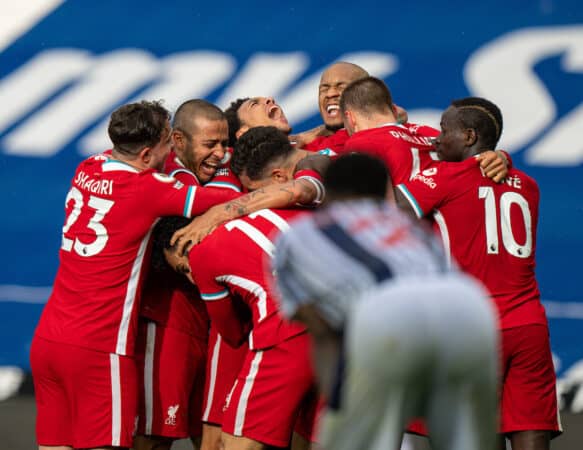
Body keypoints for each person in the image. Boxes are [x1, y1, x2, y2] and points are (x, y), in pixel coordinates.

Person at [29, 100, 238, 450]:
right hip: (99, 348)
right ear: (145, 155)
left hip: (48, 341)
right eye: (166, 147)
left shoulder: (88, 167)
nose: (170, 153)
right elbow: (222, 200)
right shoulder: (147, 190)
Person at [271, 153, 500, 450]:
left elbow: (322, 331)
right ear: (383, 190)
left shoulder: (300, 233)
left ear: (330, 192)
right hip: (470, 305)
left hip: (387, 310)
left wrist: (341, 400)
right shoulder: (410, 226)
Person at [395, 97, 561, 450]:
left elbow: (389, 207)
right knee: (530, 425)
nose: (438, 139)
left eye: (444, 130)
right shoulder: (528, 185)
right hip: (528, 324)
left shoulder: (443, 177)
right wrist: (505, 157)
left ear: (469, 136)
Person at [165, 127, 320, 450]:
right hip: (351, 327)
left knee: (234, 441)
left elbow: (231, 332)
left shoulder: (205, 251)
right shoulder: (315, 198)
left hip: (285, 333)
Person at [134, 99, 245, 450]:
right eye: (209, 144)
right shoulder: (168, 179)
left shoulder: (203, 173)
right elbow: (172, 248)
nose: (221, 154)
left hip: (204, 327)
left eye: (224, 143)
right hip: (166, 326)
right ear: (178, 141)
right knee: (152, 436)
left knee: (211, 436)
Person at [339, 76, 509, 184]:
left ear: (351, 118)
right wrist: (502, 156)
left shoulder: (360, 143)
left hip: (403, 231)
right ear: (393, 109)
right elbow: (477, 157)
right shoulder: (433, 135)